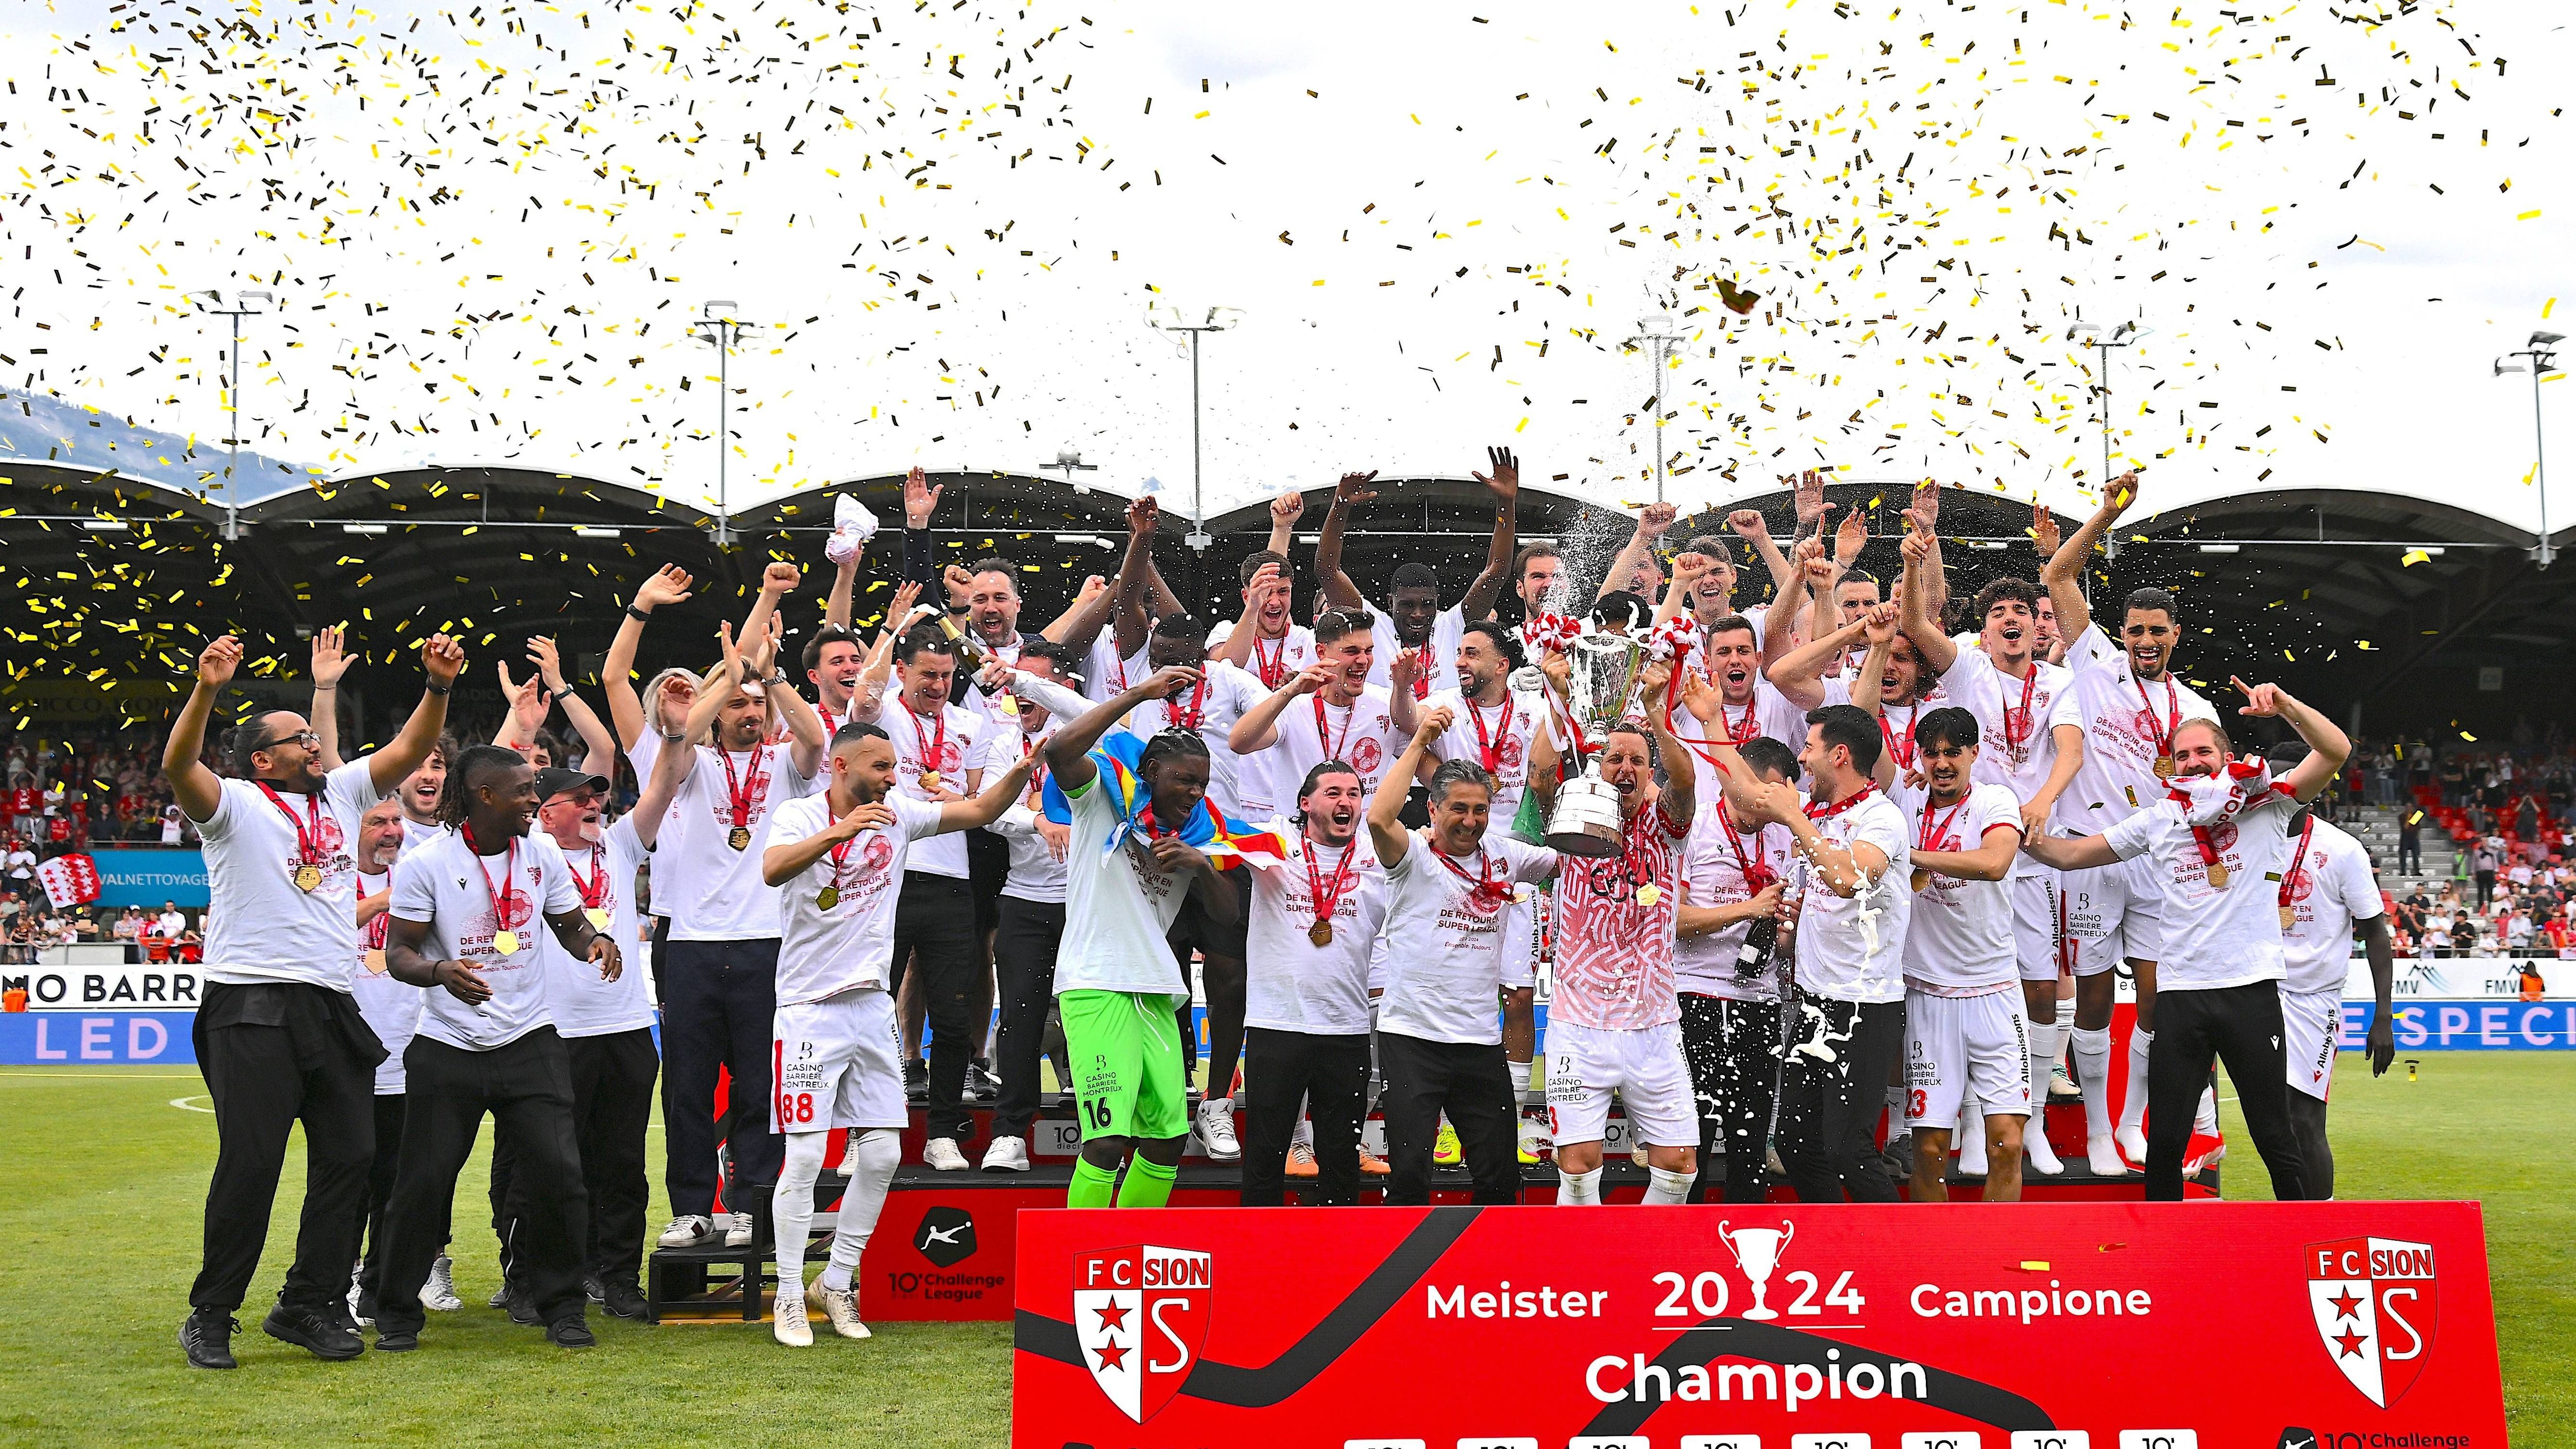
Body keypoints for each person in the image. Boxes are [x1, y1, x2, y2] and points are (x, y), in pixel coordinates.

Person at [168, 631, 461, 1371]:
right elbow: (179, 764)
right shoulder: (233, 804)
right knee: (253, 1160)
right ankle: (212, 1311)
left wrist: (438, 686)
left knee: (353, 1158)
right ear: (262, 758)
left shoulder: (340, 793)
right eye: (297, 739)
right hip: (251, 1000)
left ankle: (310, 1301)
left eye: (312, 735)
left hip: (331, 1004)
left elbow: (406, 748)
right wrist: (207, 689)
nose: (312, 743)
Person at [759, 721, 1035, 1345]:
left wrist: (1024, 767)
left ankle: (835, 1280)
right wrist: (838, 830)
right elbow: (773, 869)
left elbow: (981, 808)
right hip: (807, 1008)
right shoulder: (799, 814)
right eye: (880, 766)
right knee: (804, 1156)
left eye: (893, 766)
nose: (891, 777)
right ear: (840, 765)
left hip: (871, 1009)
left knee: (883, 1152)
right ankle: (786, 1295)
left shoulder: (899, 815)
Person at [2023, 678, 2348, 1201]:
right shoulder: (2159, 819)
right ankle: (2163, 1257)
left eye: (2203, 751)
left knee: (2273, 1134)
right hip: (2179, 996)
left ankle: (2296, 1248)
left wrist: (2285, 705)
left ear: (2225, 756)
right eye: (2181, 755)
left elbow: (2334, 750)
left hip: (2250, 992)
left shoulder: (2267, 803)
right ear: (2170, 766)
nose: (2192, 762)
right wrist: (2014, 829)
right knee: (2166, 1142)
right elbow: (2069, 855)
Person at [374, 746, 622, 1351]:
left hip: (530, 1038)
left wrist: (597, 939)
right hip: (447, 1044)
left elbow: (569, 923)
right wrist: (437, 972)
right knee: (423, 1182)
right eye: (522, 791)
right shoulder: (426, 861)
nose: (534, 800)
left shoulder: (539, 854)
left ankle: (562, 1306)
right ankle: (396, 1311)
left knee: (560, 1177)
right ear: (485, 795)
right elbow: (399, 952)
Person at [2039, 472, 2224, 1174]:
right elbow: (2058, 571)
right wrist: (2108, 512)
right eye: (2136, 630)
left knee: (2153, 999)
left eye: (2158, 631)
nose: (2146, 640)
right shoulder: (2095, 663)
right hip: (2092, 854)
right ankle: (2093, 1136)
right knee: (2090, 998)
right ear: (2122, 634)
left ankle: (2131, 1124)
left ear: (2177, 634)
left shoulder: (2195, 704)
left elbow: (2208, 787)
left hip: (2160, 861)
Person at [1043, 665, 1272, 1209]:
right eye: (1184, 780)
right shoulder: (1099, 795)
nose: (1194, 792)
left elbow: (1226, 913)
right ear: (1149, 771)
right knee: (1106, 1139)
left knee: (1167, 1138)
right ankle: (1082, 1261)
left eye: (1202, 782)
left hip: (1157, 991)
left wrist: (1202, 866)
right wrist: (1138, 694)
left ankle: (1128, 1247)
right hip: (1096, 984)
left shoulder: (1196, 832)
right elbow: (1058, 751)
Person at [1897, 525, 2083, 1178]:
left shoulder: (2058, 681)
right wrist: (1914, 562)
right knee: (1956, 980)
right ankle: (1972, 1128)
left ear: (2039, 627)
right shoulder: (1970, 667)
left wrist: (2043, 801)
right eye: (1997, 612)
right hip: (1958, 832)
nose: (2012, 620)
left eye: (2022, 614)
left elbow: (2070, 750)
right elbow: (1917, 623)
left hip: (2026, 844)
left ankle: (2021, 1124)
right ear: (1983, 629)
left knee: (2035, 986)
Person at [490, 754, 687, 1322]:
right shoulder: (525, 854)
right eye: (580, 798)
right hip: (553, 1029)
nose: (595, 803)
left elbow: (665, 779)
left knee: (623, 1165)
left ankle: (617, 1276)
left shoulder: (621, 845)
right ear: (545, 813)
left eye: (597, 795)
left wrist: (675, 730)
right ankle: (529, 1277)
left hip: (625, 1026)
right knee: (546, 1166)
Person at [654, 621, 828, 1249]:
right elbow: (678, 734)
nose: (750, 712)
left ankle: (753, 1201)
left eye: (756, 704)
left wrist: (770, 676)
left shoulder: (786, 762)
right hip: (694, 944)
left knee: (762, 1087)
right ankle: (692, 1207)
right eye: (738, 702)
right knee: (688, 1089)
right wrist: (726, 676)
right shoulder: (693, 761)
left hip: (768, 940)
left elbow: (814, 735)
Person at [1527, 653, 1701, 1207]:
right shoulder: (1574, 816)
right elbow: (1537, 775)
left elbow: (1686, 778)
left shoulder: (1666, 826)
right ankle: (1586, 1275)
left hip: (1653, 1025)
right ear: (1596, 767)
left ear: (1648, 773)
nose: (1624, 768)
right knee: (1577, 1167)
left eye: (1636, 761)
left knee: (1678, 1165)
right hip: (1579, 1025)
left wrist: (1655, 710)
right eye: (1612, 759)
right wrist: (1556, 698)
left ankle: (1638, 1265)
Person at [1368, 713, 1563, 1204]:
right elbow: (1377, 818)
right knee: (1410, 1174)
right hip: (1413, 1038)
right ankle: (1406, 1276)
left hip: (1478, 1040)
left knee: (1499, 1177)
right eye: (1459, 809)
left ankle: (1493, 1276)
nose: (1471, 821)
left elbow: (1573, 858)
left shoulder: (1505, 853)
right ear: (1432, 810)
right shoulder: (1411, 854)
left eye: (1480, 810)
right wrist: (1418, 741)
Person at [1739, 704, 1912, 1203]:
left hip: (1864, 1008)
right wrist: (1708, 722)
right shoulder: (1820, 816)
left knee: (1848, 1150)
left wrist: (1793, 817)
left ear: (1839, 755)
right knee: (1795, 1142)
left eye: (1809, 747)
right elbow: (1745, 788)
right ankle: (1836, 1240)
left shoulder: (1880, 817)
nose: (1800, 756)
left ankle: (1895, 1259)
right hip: (1815, 1005)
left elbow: (1847, 880)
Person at [1127, 613, 1270, 1163]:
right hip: (1154, 852)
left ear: (1203, 657)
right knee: (1161, 979)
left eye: (1179, 656)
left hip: (1220, 847)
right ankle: (1164, 1094)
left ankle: (1217, 1103)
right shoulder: (1140, 697)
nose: (1170, 668)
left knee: (1230, 978)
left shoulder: (1230, 683)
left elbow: (1269, 727)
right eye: (1159, 656)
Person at [1409, 619, 1551, 1164]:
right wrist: (1445, 780)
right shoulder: (1442, 701)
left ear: (1501, 665)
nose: (1461, 660)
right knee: (1454, 991)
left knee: (1516, 996)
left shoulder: (1534, 708)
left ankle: (1511, 1119)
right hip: (1455, 859)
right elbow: (1406, 729)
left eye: (1472, 653)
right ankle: (1449, 1124)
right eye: (1459, 652)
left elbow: (1554, 766)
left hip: (1513, 863)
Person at [852, 627, 991, 1170]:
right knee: (869, 1008)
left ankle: (942, 1133)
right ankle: (861, 1134)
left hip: (951, 880)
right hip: (885, 876)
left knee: (954, 1017)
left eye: (947, 675)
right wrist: (890, 629)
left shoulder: (970, 724)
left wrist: (962, 796)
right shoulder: (882, 709)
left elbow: (977, 796)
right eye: (927, 673)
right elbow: (862, 696)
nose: (938, 684)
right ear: (904, 672)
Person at [1894, 707, 2031, 1200]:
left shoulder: (1995, 800)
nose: (1942, 763)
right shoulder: (1904, 802)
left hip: (1996, 994)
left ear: (1975, 753)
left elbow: (1994, 863)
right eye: (1931, 753)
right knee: (1929, 1150)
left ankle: (1999, 1263)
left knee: (2007, 1143)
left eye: (1953, 751)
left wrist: (1908, 855)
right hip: (1929, 997)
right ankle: (1934, 1263)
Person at [1240, 761, 1387, 1205]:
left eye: (1355, 793)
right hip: (1276, 1024)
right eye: (1334, 792)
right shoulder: (1273, 841)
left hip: (1345, 1029)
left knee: (1340, 1156)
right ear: (1305, 803)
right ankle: (1256, 1253)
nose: (1346, 802)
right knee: (1266, 1154)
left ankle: (1339, 1260)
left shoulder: (1377, 855)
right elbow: (1210, 832)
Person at [976, 643, 1090, 1172]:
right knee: (1019, 1018)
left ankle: (1099, 1126)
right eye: (1013, 686)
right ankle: (1009, 1133)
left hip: (1087, 901)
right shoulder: (1002, 742)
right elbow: (989, 811)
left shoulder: (1091, 734)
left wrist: (1022, 677)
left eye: (1030, 685)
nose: (1017, 694)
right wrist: (1035, 819)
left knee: (1092, 1019)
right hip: (1025, 898)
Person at [1671, 735, 1798, 1203]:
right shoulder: (1694, 826)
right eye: (1761, 794)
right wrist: (1748, 908)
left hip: (1759, 1001)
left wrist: (1790, 927)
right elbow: (1675, 921)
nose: (1767, 808)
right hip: (1696, 997)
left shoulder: (1787, 835)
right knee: (1694, 1141)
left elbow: (1785, 943)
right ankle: (1684, 1254)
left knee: (1750, 1145)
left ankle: (1744, 1252)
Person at [2268, 740, 2397, 1201]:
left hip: (2311, 1000)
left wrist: (2383, 1017)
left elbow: (2376, 933)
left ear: (2317, 786)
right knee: (2271, 1123)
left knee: (2303, 1118)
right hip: (2251, 991)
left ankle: (2320, 1223)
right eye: (2276, 781)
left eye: (2295, 780)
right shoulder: (2245, 837)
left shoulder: (2343, 850)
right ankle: (2288, 1222)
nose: (2284, 789)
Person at [346, 798, 456, 1326]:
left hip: (409, 1059)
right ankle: (332, 1284)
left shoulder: (420, 877)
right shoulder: (328, 879)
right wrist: (387, 897)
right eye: (378, 823)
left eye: (396, 823)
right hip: (348, 1061)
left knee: (397, 1186)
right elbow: (324, 922)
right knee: (345, 1181)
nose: (391, 832)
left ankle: (378, 1287)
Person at [1315, 451, 1520, 696]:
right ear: (1391, 602)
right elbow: (1327, 572)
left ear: (1437, 602)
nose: (1418, 614)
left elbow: (1495, 572)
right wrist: (1340, 507)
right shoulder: (1374, 627)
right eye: (1407, 605)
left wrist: (1506, 504)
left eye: (1427, 604)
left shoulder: (1452, 626)